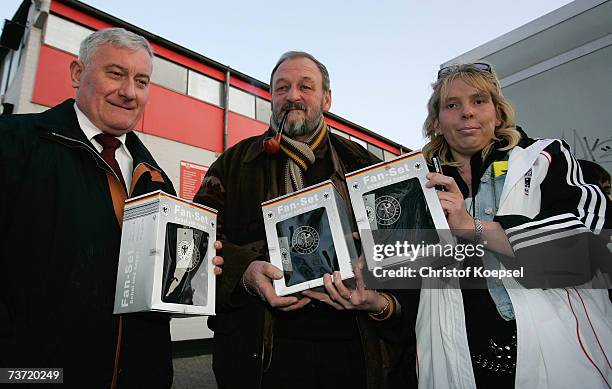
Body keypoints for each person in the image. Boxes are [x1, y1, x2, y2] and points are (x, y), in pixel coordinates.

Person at [0, 28, 223, 388]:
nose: (129, 92)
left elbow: (152, 290)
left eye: (142, 81)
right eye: (115, 73)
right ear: (77, 73)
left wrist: (192, 269)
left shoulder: (155, 179)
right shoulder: (13, 143)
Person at [193, 51, 415, 389]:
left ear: (326, 98)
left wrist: (372, 276)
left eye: (305, 87)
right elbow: (199, 244)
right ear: (271, 97)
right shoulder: (233, 164)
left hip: (354, 354)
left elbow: (405, 260)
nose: (293, 96)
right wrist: (246, 273)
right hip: (261, 359)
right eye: (282, 88)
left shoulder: (366, 166)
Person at [417, 62, 612, 388]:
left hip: (557, 356)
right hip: (460, 362)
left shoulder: (544, 157)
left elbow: (585, 249)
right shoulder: (419, 186)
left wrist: (472, 226)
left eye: (479, 101)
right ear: (436, 122)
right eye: (452, 104)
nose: (467, 112)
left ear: (499, 113)